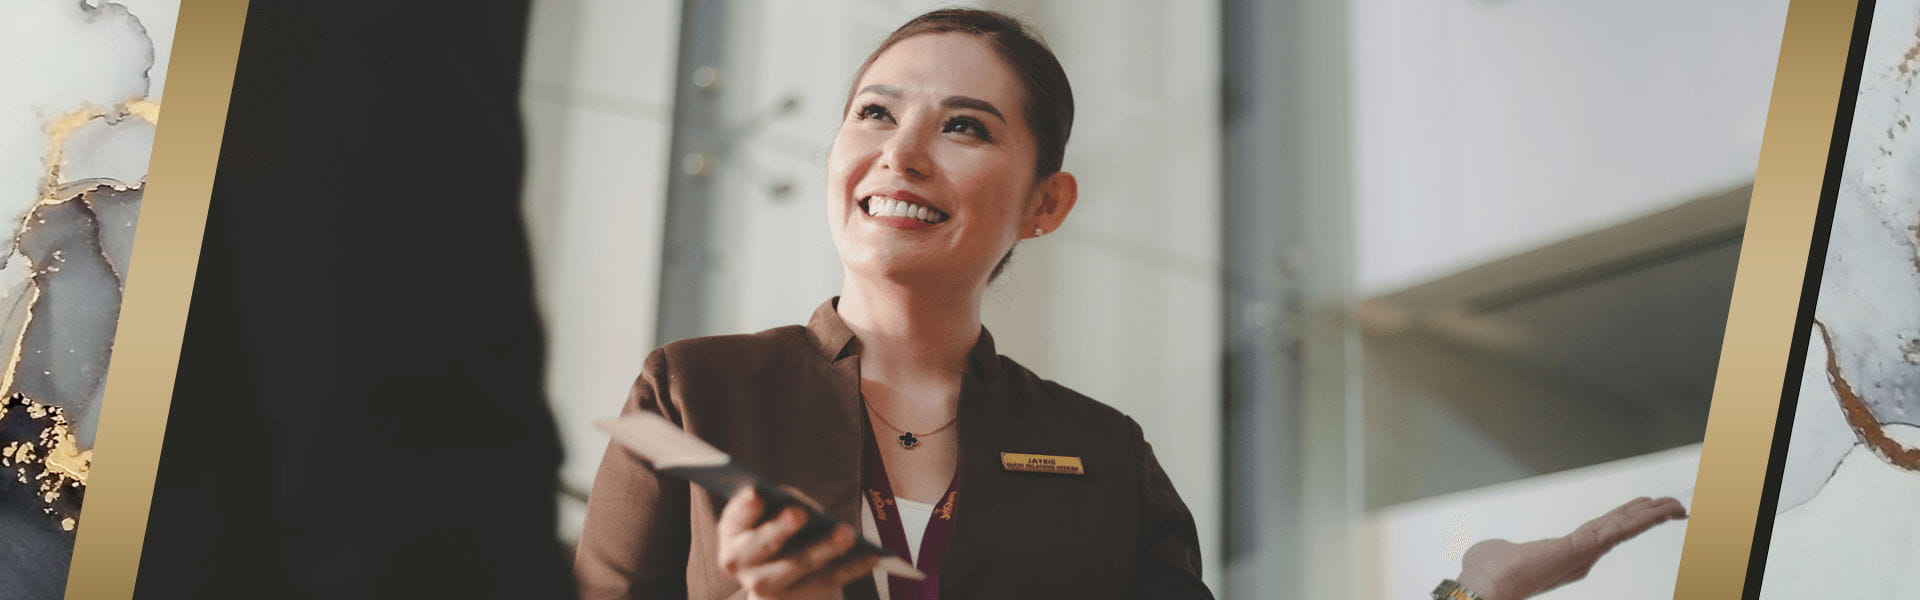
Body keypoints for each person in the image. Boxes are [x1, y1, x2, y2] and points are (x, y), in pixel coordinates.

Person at [575, 9, 1685, 600]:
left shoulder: (1101, 453)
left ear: (1046, 203)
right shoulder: (693, 391)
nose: (900, 152)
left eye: (964, 126)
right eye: (874, 112)